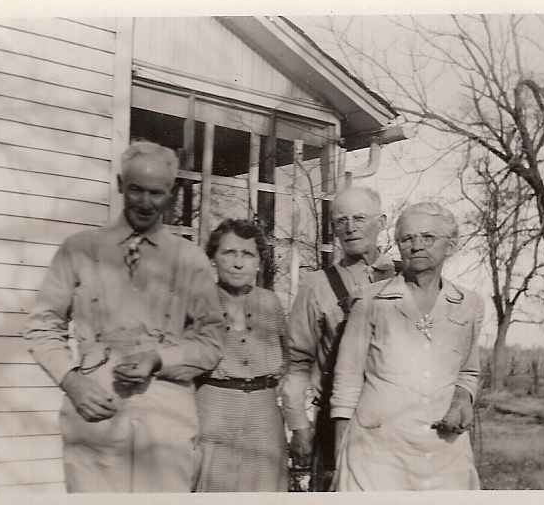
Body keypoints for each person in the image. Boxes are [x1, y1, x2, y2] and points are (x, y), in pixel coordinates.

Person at [24, 141, 225, 493]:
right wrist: (71, 381)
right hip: (95, 409)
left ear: (173, 193)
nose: (145, 203)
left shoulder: (189, 259)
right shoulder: (80, 249)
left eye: (157, 193)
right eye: (135, 190)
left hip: (166, 418)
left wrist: (160, 358)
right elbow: (42, 326)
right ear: (119, 184)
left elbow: (211, 341)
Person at [330, 201, 482, 491]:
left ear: (450, 246)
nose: (417, 246)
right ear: (398, 245)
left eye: (428, 237)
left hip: (443, 451)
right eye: (407, 238)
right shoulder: (371, 300)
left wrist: (463, 398)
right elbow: (348, 378)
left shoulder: (468, 304)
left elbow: (468, 371)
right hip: (377, 451)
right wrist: (341, 445)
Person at [282, 186, 399, 491]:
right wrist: (299, 425)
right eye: (341, 221)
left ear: (382, 222)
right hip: (336, 424)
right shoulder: (316, 286)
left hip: (397, 421)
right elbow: (297, 364)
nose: (350, 228)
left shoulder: (406, 279)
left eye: (359, 218)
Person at [192, 219, 289, 492]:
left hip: (264, 418)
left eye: (247, 254)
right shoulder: (196, 301)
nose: (238, 263)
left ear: (259, 261)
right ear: (213, 258)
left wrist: (267, 391)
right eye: (228, 253)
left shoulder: (270, 302)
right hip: (214, 413)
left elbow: (289, 361)